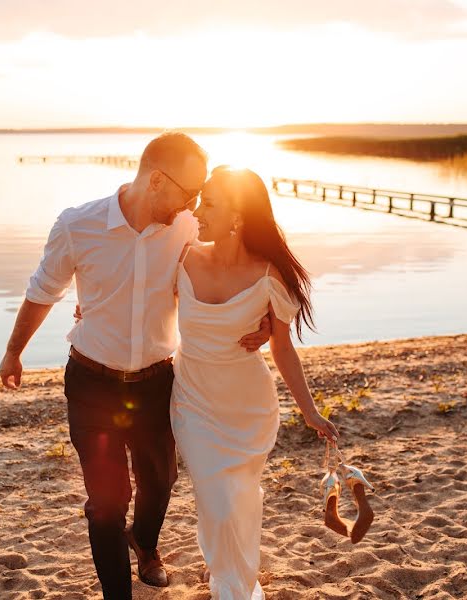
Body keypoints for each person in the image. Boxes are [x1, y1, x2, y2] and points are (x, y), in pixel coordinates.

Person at [0, 133, 271, 600]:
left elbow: (235, 266)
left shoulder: (187, 227)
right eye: (191, 192)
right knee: (106, 505)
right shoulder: (77, 225)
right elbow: (44, 289)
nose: (196, 203)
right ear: (158, 182)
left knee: (160, 481)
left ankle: (144, 544)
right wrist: (13, 350)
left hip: (155, 383)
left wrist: (263, 319)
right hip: (91, 384)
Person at [171, 166, 342, 600]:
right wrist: (91, 310)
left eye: (209, 203)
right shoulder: (182, 256)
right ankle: (228, 583)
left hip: (247, 406)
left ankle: (233, 580)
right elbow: (140, 303)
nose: (197, 209)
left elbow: (283, 349)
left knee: (238, 498)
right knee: (215, 498)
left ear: (238, 217)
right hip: (191, 398)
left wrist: (310, 412)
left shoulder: (269, 275)